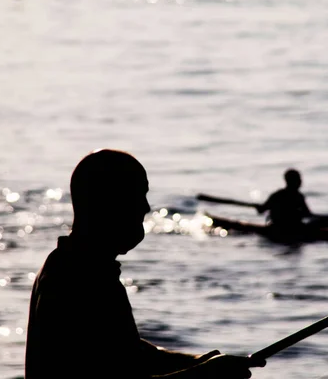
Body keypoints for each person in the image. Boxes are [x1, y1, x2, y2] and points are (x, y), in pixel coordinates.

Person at [25, 148, 266, 379]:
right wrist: (205, 374)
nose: (146, 207)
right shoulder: (80, 279)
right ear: (107, 203)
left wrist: (196, 361)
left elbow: (120, 349)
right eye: (137, 195)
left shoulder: (70, 265)